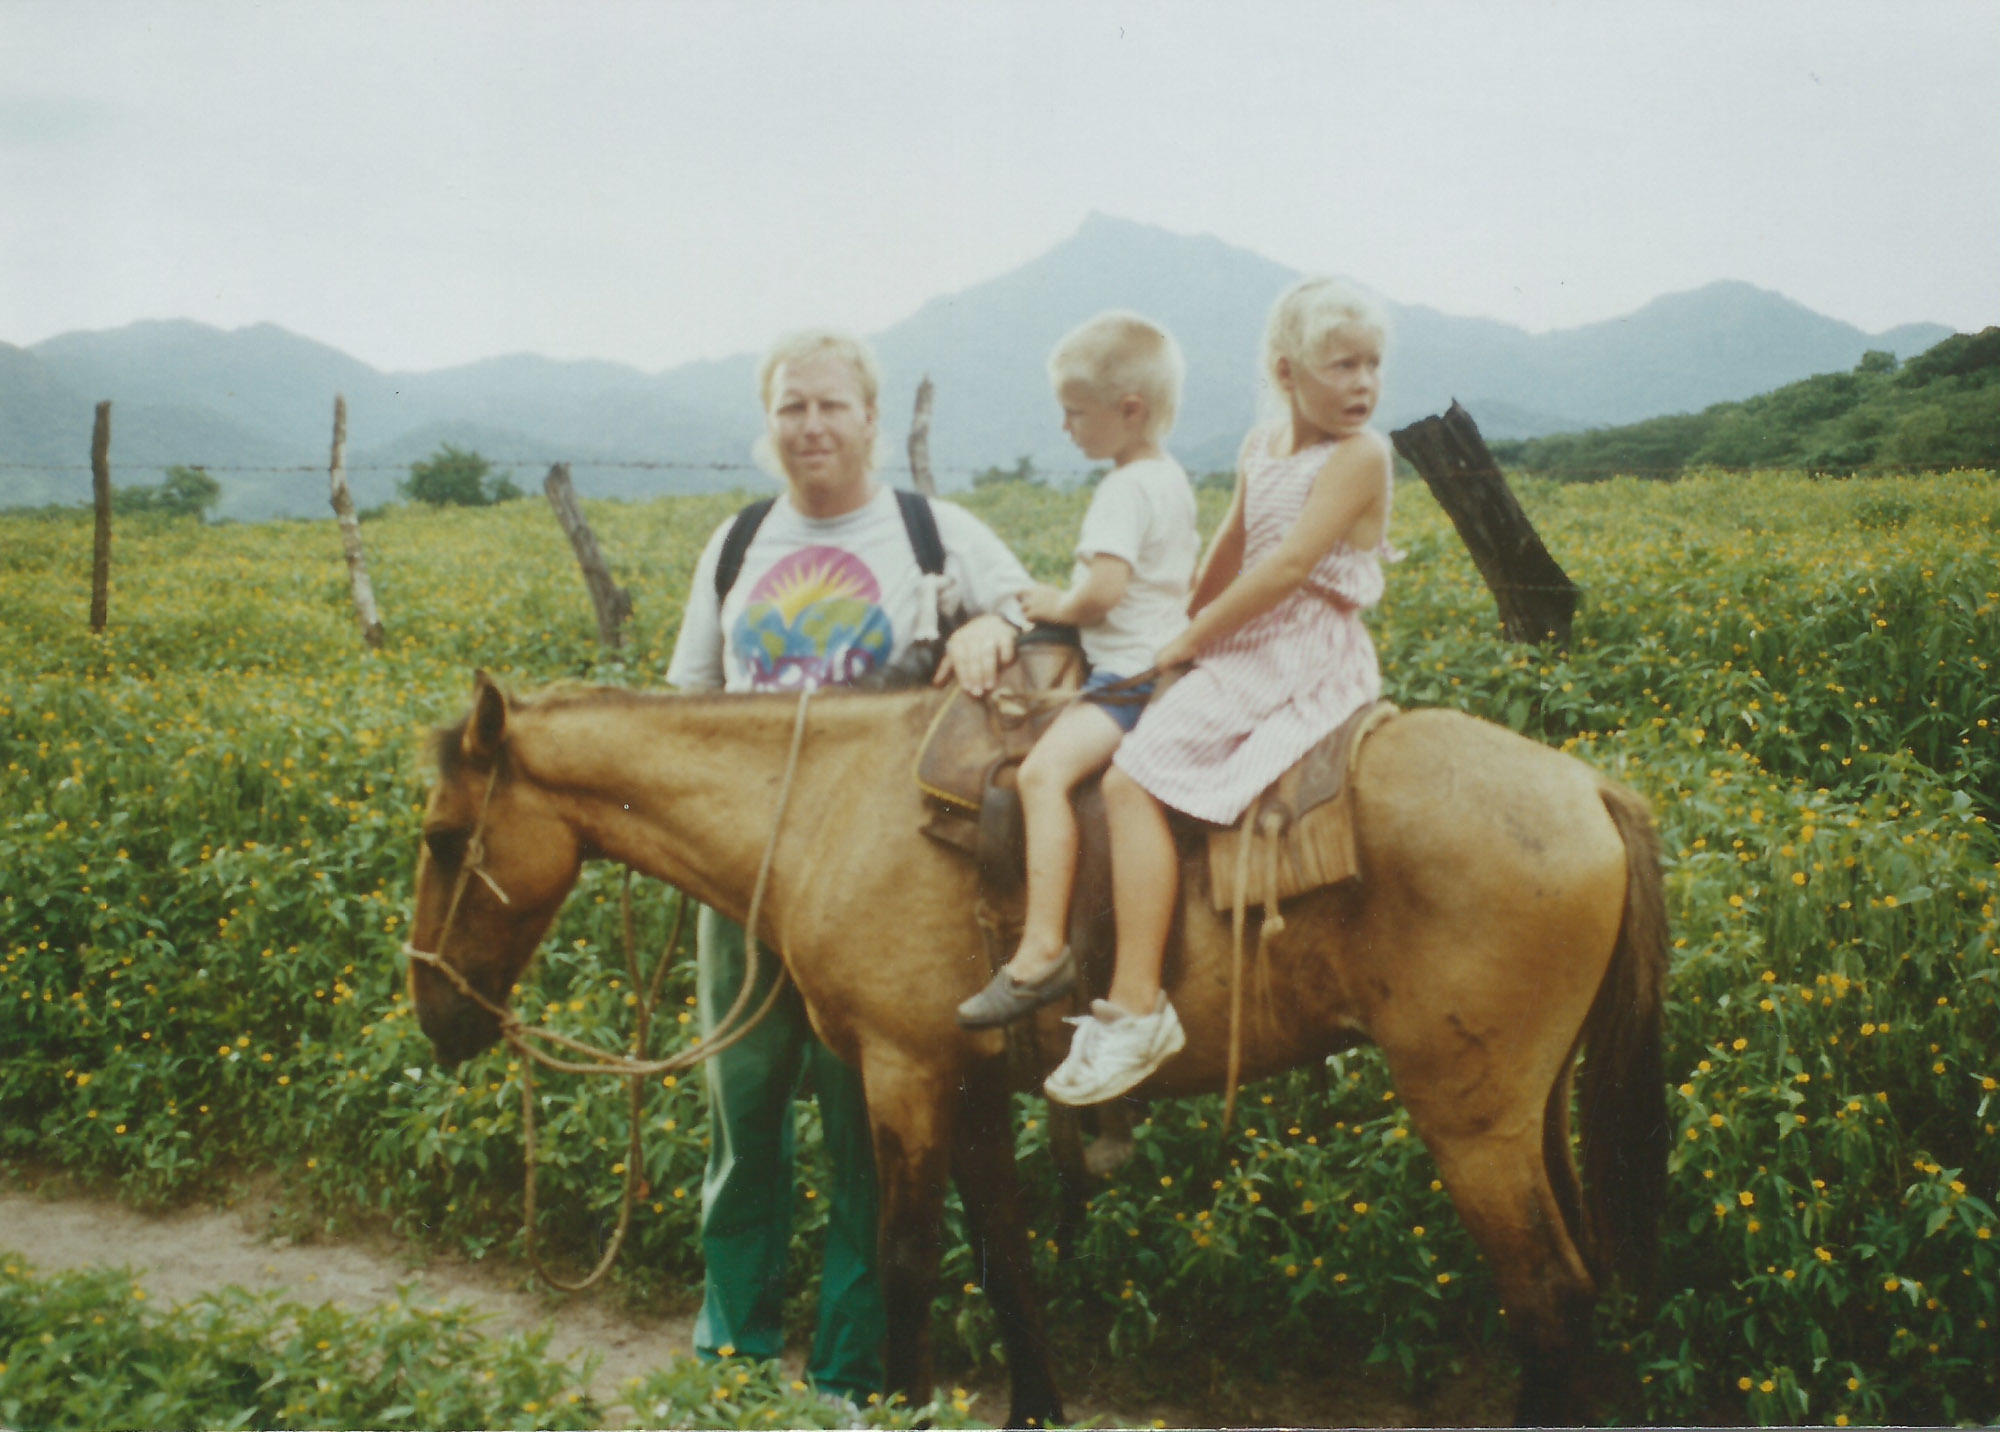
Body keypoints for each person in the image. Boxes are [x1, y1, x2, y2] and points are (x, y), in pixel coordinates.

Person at [665, 328, 1033, 1400]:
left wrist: (989, 631)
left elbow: (1034, 617)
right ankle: (726, 1367)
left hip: (878, 900)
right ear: (767, 422)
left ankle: (846, 1374)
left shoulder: (932, 533)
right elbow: (692, 707)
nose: (811, 425)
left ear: (871, 417)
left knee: (871, 1139)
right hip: (743, 889)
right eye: (791, 407)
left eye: (831, 405)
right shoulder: (735, 547)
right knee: (742, 1126)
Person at [1042, 277, 1401, 1107]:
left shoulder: (1363, 455)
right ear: (1287, 372)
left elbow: (1286, 567)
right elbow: (1236, 546)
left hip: (1302, 648)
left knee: (1132, 779)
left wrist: (1195, 641)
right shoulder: (1261, 445)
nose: (1362, 385)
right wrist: (1185, 618)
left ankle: (1138, 1005)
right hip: (1245, 639)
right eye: (1340, 365)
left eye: (1373, 365)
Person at [955, 312, 1197, 1030]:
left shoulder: (1121, 490)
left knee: (1040, 775)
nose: (1066, 428)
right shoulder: (1169, 478)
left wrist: (1054, 601)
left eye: (1075, 413)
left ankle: (1040, 948)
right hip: (1166, 668)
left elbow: (1102, 594)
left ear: (1129, 411)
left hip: (1127, 683)